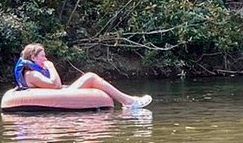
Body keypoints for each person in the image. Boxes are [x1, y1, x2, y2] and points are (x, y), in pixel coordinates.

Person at [14, 44, 152, 109]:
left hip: (58, 92)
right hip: (56, 95)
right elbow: (55, 85)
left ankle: (127, 101)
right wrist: (51, 66)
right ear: (32, 57)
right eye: (42, 56)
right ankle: (128, 102)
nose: (45, 58)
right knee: (90, 77)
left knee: (91, 77)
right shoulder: (32, 74)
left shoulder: (33, 72)